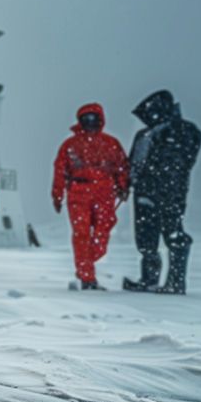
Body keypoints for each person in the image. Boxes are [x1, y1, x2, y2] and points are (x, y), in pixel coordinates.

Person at [123, 90, 201, 294]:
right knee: (146, 238)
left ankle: (175, 282)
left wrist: (160, 176)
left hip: (169, 192)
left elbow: (185, 160)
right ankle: (149, 279)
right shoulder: (144, 135)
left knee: (173, 233)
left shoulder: (184, 131)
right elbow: (133, 163)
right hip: (145, 192)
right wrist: (127, 183)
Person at [52, 102, 130, 290]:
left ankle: (86, 261)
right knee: (81, 234)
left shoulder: (111, 143)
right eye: (86, 119)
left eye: (93, 118)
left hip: (105, 194)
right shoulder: (69, 145)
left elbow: (121, 167)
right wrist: (57, 195)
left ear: (100, 119)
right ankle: (87, 277)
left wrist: (123, 186)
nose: (90, 122)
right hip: (78, 193)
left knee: (102, 234)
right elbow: (60, 170)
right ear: (80, 121)